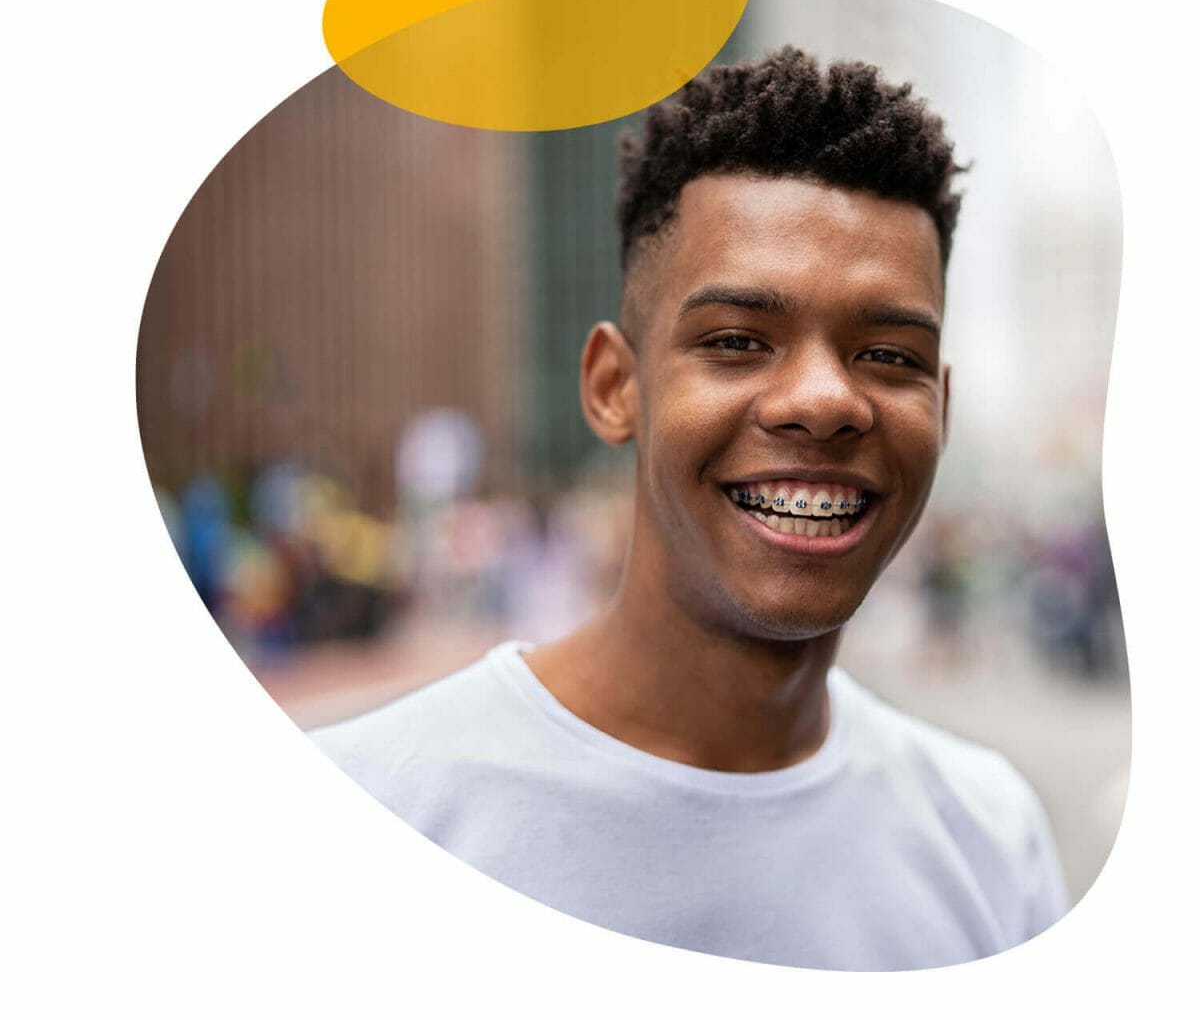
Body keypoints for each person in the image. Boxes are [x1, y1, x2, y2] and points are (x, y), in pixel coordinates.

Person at [310, 48, 1069, 970]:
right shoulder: (364, 813)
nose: (827, 399)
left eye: (891, 355)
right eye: (739, 340)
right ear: (614, 386)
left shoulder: (992, 839)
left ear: (940, 406)